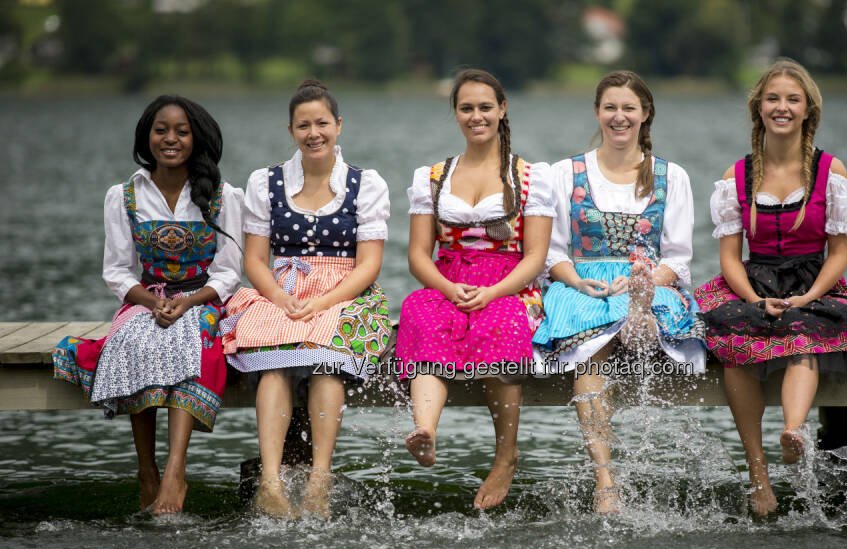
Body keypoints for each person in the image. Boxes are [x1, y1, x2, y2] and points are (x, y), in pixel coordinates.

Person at [694, 58, 847, 517]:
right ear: (758, 108)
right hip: (753, 279)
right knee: (734, 344)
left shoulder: (831, 169)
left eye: (792, 99)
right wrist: (753, 299)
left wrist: (807, 297)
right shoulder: (736, 176)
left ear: (808, 110)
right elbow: (728, 256)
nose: (781, 107)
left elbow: (839, 252)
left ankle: (793, 431)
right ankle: (758, 477)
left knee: (803, 329)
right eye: (772, 99)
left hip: (813, 280)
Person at [52, 95, 243, 516]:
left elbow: (229, 273)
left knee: (190, 337)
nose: (170, 139)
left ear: (197, 139)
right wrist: (154, 303)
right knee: (138, 337)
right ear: (147, 136)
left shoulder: (225, 196)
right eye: (161, 130)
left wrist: (188, 302)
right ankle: (146, 469)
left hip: (201, 297)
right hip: (147, 297)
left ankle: (176, 469)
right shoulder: (123, 196)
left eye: (181, 131)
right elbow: (118, 272)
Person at [532, 71, 706, 514]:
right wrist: (576, 281)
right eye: (610, 107)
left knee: (641, 306)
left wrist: (642, 282)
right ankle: (605, 478)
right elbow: (551, 253)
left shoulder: (671, 176)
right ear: (596, 112)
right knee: (590, 344)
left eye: (629, 108)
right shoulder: (563, 173)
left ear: (645, 114)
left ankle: (640, 315)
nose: (619, 117)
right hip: (584, 282)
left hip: (649, 280)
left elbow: (678, 258)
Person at [221, 79, 391, 519]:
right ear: (290, 130)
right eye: (303, 125)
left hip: (345, 292)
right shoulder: (266, 181)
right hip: (281, 290)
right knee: (274, 360)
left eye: (322, 123)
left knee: (328, 361)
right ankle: (272, 483)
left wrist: (323, 301)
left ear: (339, 125)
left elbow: (369, 265)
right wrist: (278, 295)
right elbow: (256, 260)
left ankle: (319, 478)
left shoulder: (365, 184)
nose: (313, 133)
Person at [396, 68, 554, 511]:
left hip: (508, 282)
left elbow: (535, 257)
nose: (476, 116)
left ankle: (506, 457)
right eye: (467, 108)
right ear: (456, 113)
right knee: (420, 314)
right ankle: (426, 429)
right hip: (449, 278)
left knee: (502, 325)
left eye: (486, 107)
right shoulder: (431, 176)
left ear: (502, 110)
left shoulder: (530, 176)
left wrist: (493, 292)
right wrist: (448, 287)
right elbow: (417, 256)